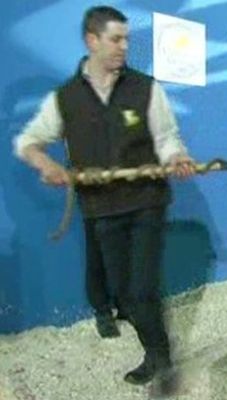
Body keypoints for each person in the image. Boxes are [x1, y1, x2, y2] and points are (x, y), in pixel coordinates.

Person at [12, 6, 195, 387]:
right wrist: (46, 164)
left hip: (147, 202)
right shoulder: (65, 98)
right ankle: (143, 332)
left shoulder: (146, 87)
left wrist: (176, 156)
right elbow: (28, 142)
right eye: (116, 39)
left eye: (126, 38)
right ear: (91, 40)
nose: (124, 46)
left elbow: (166, 138)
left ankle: (160, 359)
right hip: (101, 209)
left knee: (142, 290)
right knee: (126, 295)